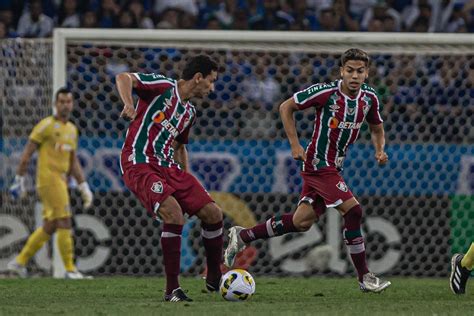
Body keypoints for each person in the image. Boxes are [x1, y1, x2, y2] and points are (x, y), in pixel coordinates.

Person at [225, 48, 391, 293]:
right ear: (341, 72)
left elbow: (377, 128)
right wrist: (294, 144)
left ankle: (244, 236)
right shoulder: (326, 93)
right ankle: (365, 276)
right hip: (318, 165)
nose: (355, 76)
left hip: (334, 166)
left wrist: (379, 150)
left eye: (360, 71)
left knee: (301, 222)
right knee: (354, 211)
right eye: (350, 71)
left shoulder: (370, 98)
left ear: (367, 73)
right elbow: (286, 107)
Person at [116, 55, 223, 302]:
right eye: (211, 81)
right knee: (173, 214)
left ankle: (214, 276)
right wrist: (128, 103)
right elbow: (123, 77)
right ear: (198, 78)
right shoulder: (163, 88)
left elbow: (179, 146)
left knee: (213, 213)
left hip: (169, 166)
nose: (212, 88)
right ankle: (172, 289)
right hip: (139, 161)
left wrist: (187, 178)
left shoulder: (189, 111)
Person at [8, 87, 93, 279]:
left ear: (72, 104)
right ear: (55, 104)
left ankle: (19, 262)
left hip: (61, 181)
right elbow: (27, 154)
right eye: (61, 101)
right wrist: (19, 179)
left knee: (51, 225)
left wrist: (83, 186)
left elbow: (73, 162)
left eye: (68, 101)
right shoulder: (45, 125)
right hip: (48, 179)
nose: (65, 105)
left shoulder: (72, 130)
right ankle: (70, 270)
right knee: (65, 220)